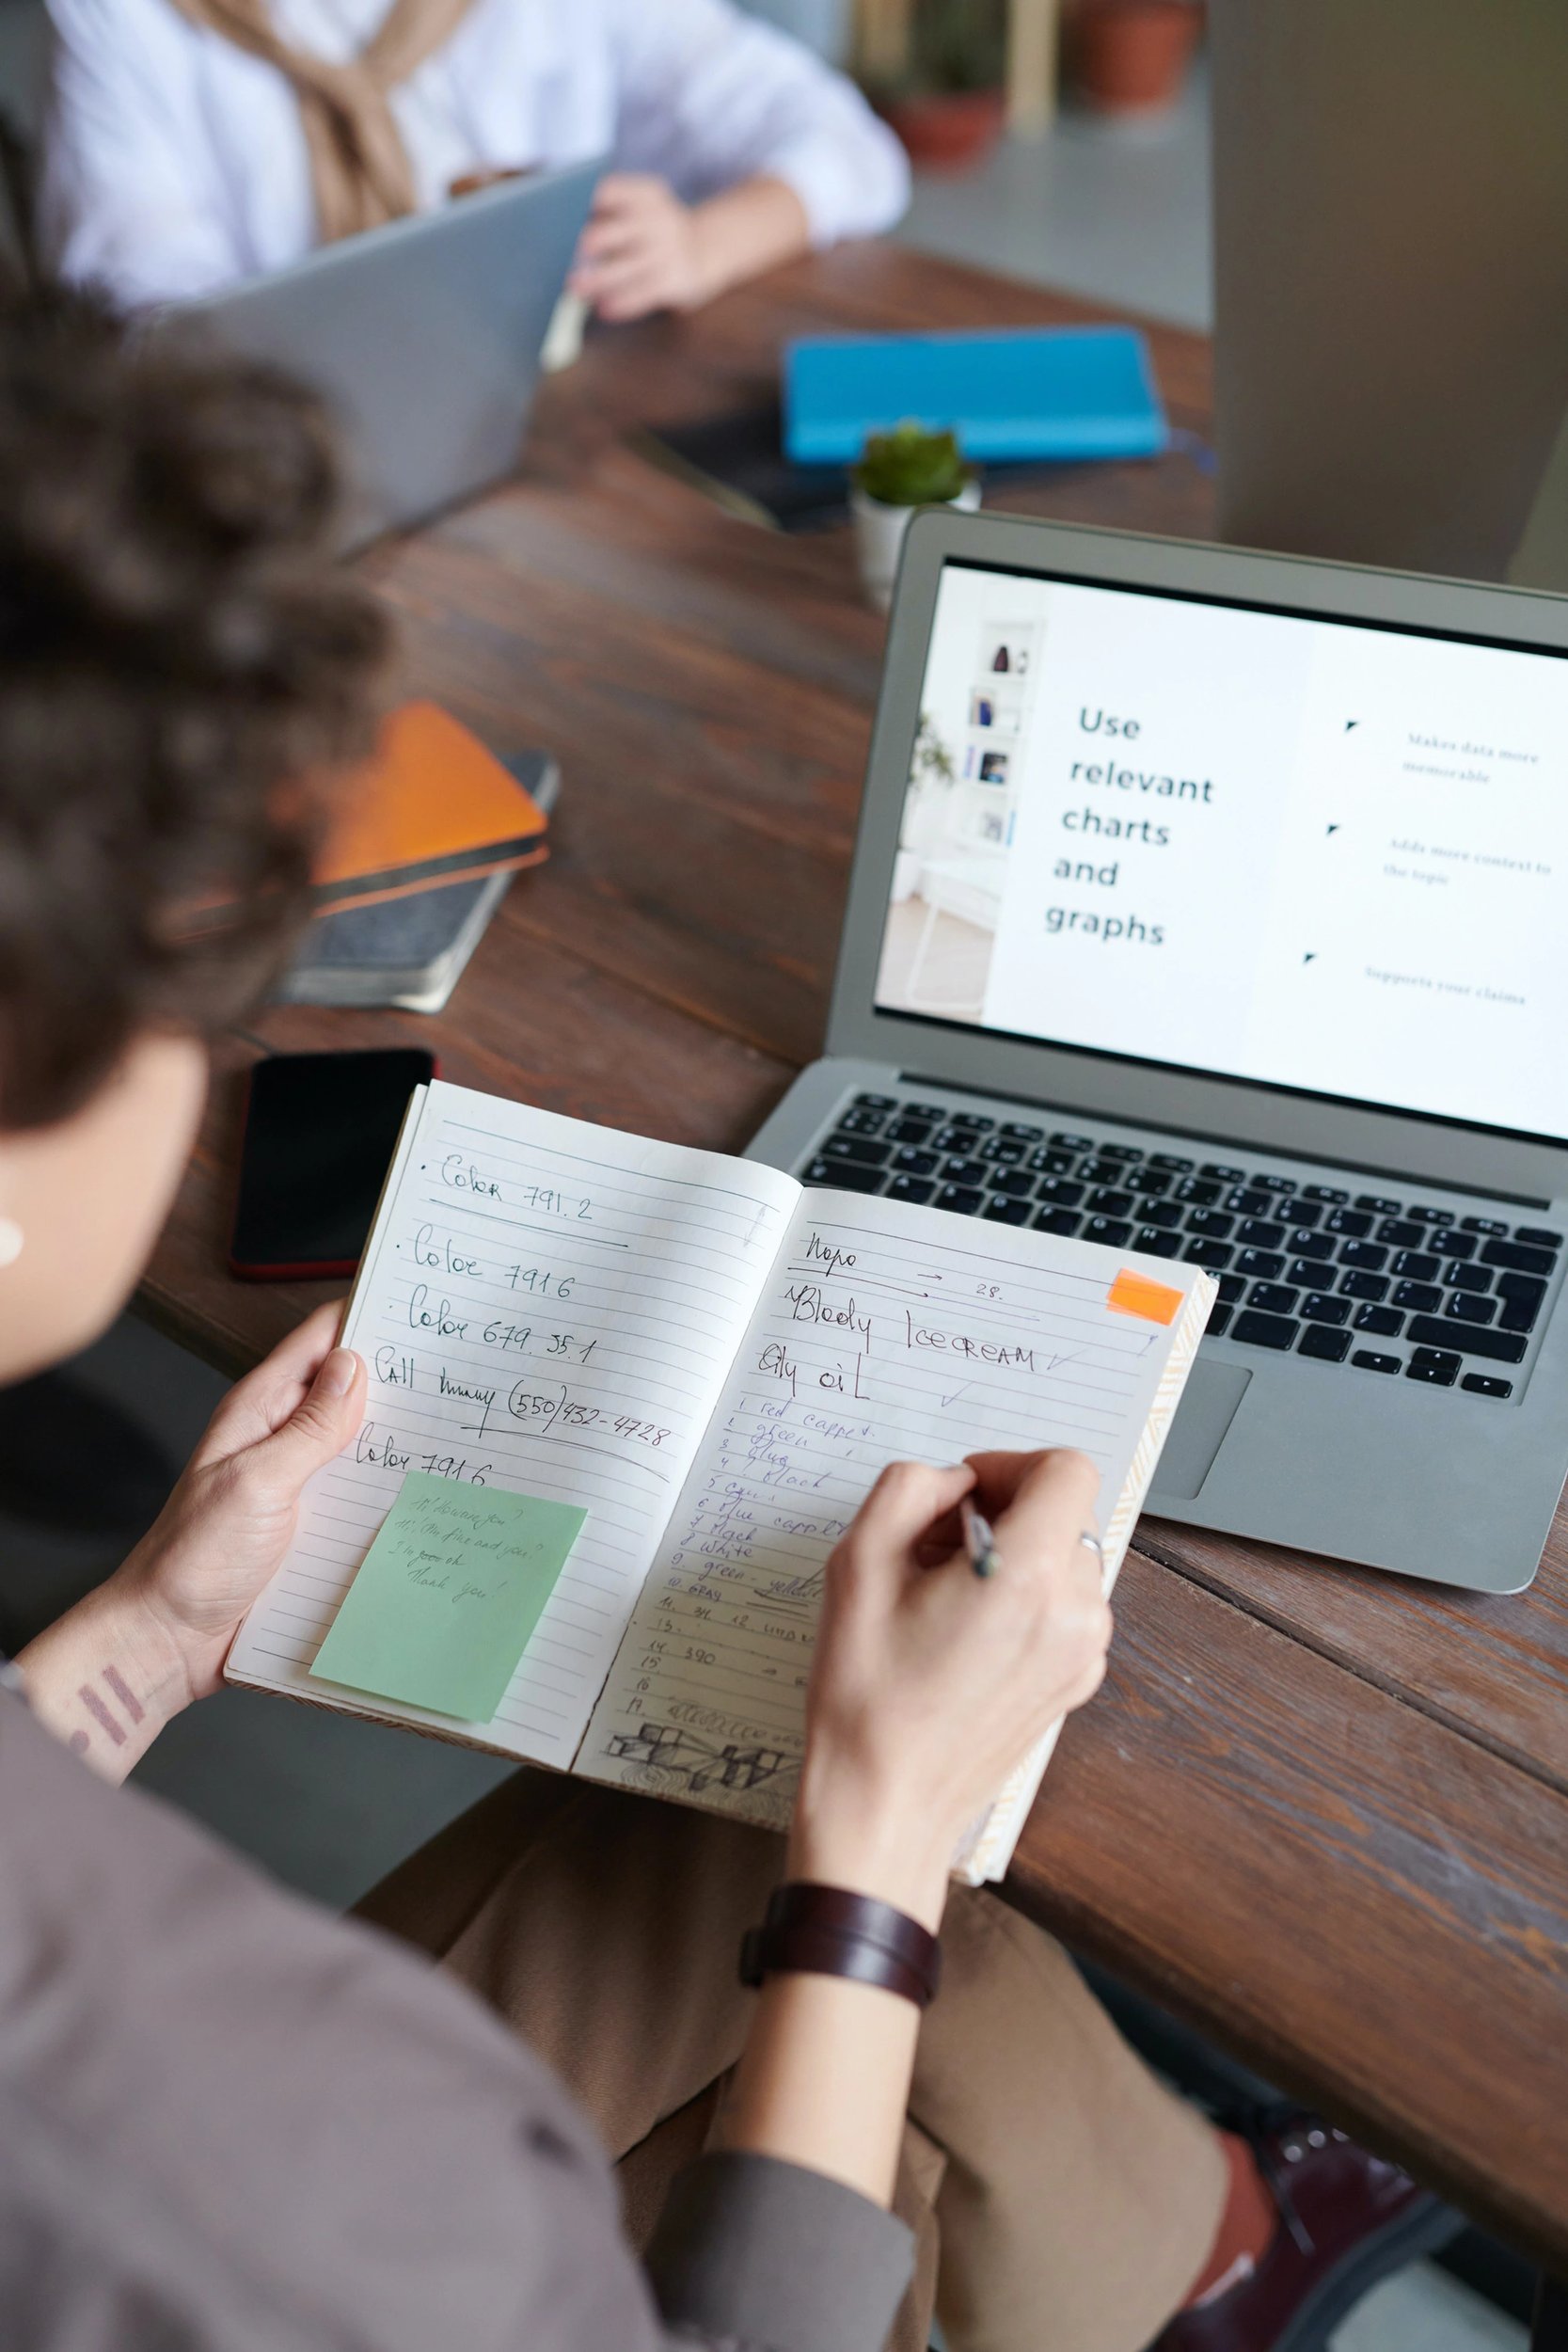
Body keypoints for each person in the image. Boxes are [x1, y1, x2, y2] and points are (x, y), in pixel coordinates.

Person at [0, 287, 1441, 2352]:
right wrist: (868, 1846)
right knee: (851, 2021)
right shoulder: (246, 2186)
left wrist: (136, 1646)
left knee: (699, 1800)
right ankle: (1200, 2252)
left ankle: (1203, 2247)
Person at [37, 0, 911, 317]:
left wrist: (701, 243)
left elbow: (849, 147)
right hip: (279, 475)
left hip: (544, 457)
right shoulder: (128, 16)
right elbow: (138, 312)